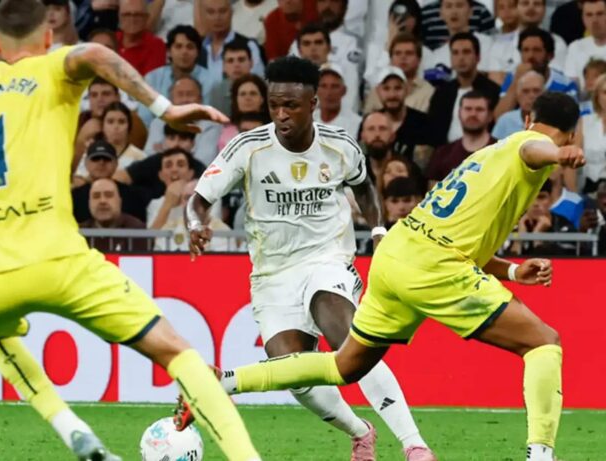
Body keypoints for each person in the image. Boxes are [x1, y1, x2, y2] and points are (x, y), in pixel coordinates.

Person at [0, 1, 261, 460]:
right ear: (48, 37)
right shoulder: (53, 69)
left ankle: (70, 428)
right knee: (177, 353)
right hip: (58, 260)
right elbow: (93, 55)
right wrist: (164, 109)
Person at [203, 92, 585, 461]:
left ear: (528, 117)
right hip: (433, 265)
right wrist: (558, 152)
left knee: (344, 365)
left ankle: (227, 380)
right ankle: (541, 455)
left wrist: (514, 270)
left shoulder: (492, 155)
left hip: (399, 251)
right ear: (571, 132)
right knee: (543, 343)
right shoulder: (529, 146)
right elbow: (533, 148)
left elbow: (469, 243)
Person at [183, 56, 436, 461]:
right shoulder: (247, 148)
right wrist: (196, 225)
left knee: (349, 336)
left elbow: (366, 188)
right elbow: (197, 200)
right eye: (274, 105)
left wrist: (377, 230)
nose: (281, 114)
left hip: (328, 258)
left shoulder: (339, 145)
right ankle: (360, 432)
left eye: (292, 106)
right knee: (292, 369)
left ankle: (414, 445)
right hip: (272, 274)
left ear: (313, 102)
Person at [428, 32, 500, 146]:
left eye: (466, 52)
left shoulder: (492, 90)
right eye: (455, 53)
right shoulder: (442, 93)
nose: (461, 58)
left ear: (478, 57)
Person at [427, 91, 496, 186]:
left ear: (490, 116)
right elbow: (432, 194)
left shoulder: (501, 151)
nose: (473, 114)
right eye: (468, 109)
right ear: (459, 113)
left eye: (479, 109)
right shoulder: (442, 154)